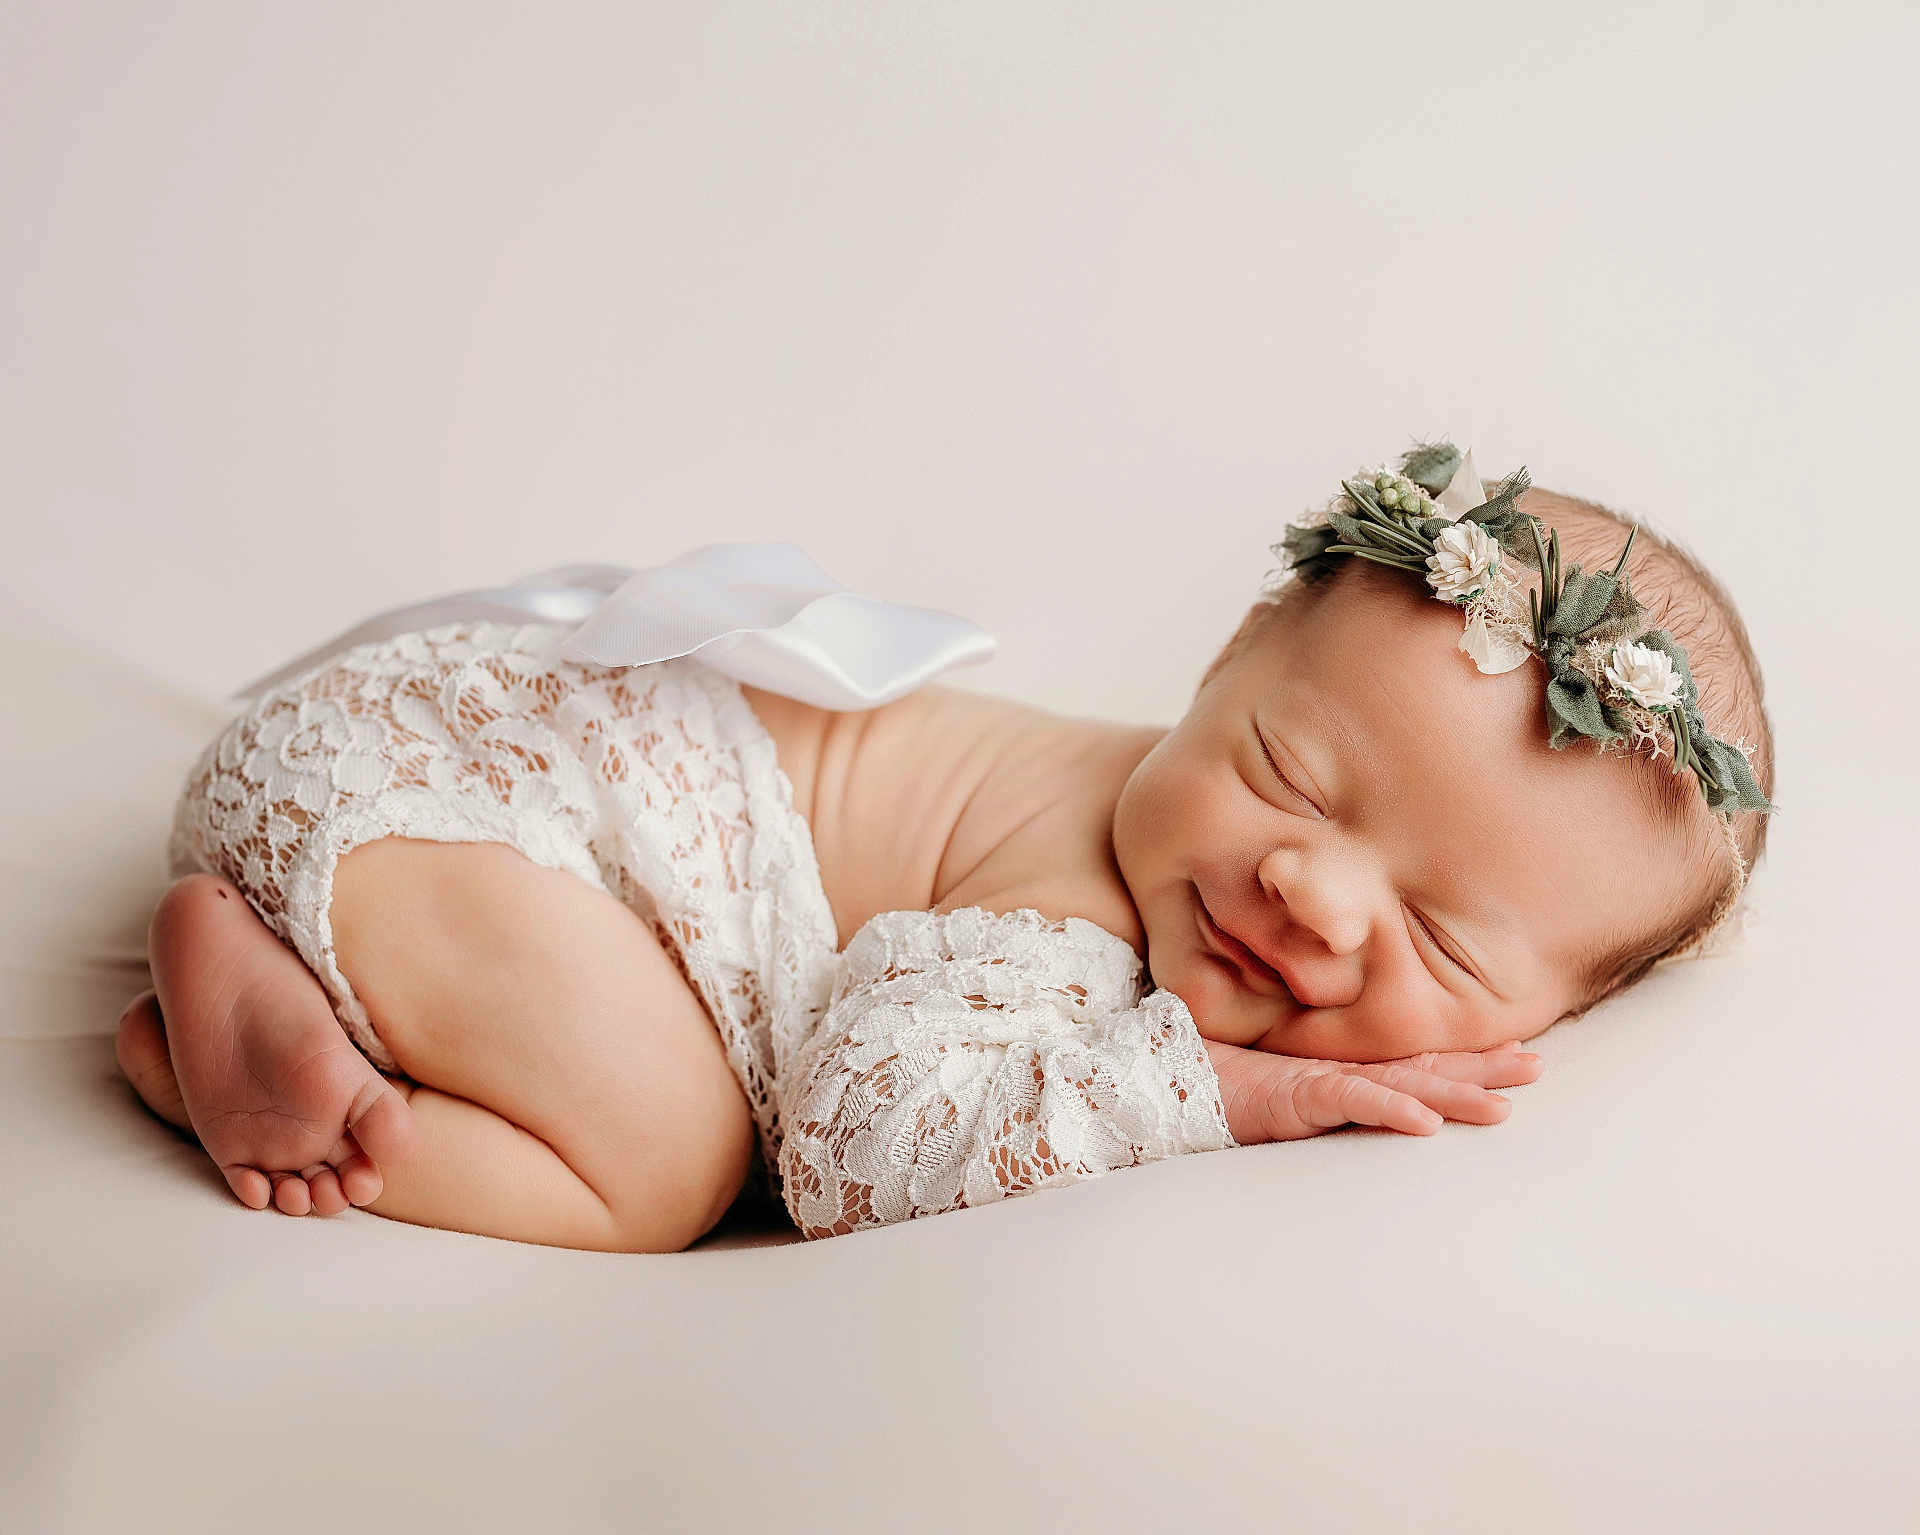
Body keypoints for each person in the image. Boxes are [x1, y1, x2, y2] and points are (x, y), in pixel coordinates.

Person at [115, 441, 1774, 1247]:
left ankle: (272, 991)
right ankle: (258, 1077)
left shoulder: (1172, 831)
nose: (1310, 889)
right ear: (1224, 662)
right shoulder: (1070, 902)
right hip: (450, 806)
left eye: (1442, 940)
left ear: (1548, 1016)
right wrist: (1218, 1092)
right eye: (1287, 770)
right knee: (664, 1166)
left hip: (416, 780)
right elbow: (849, 1142)